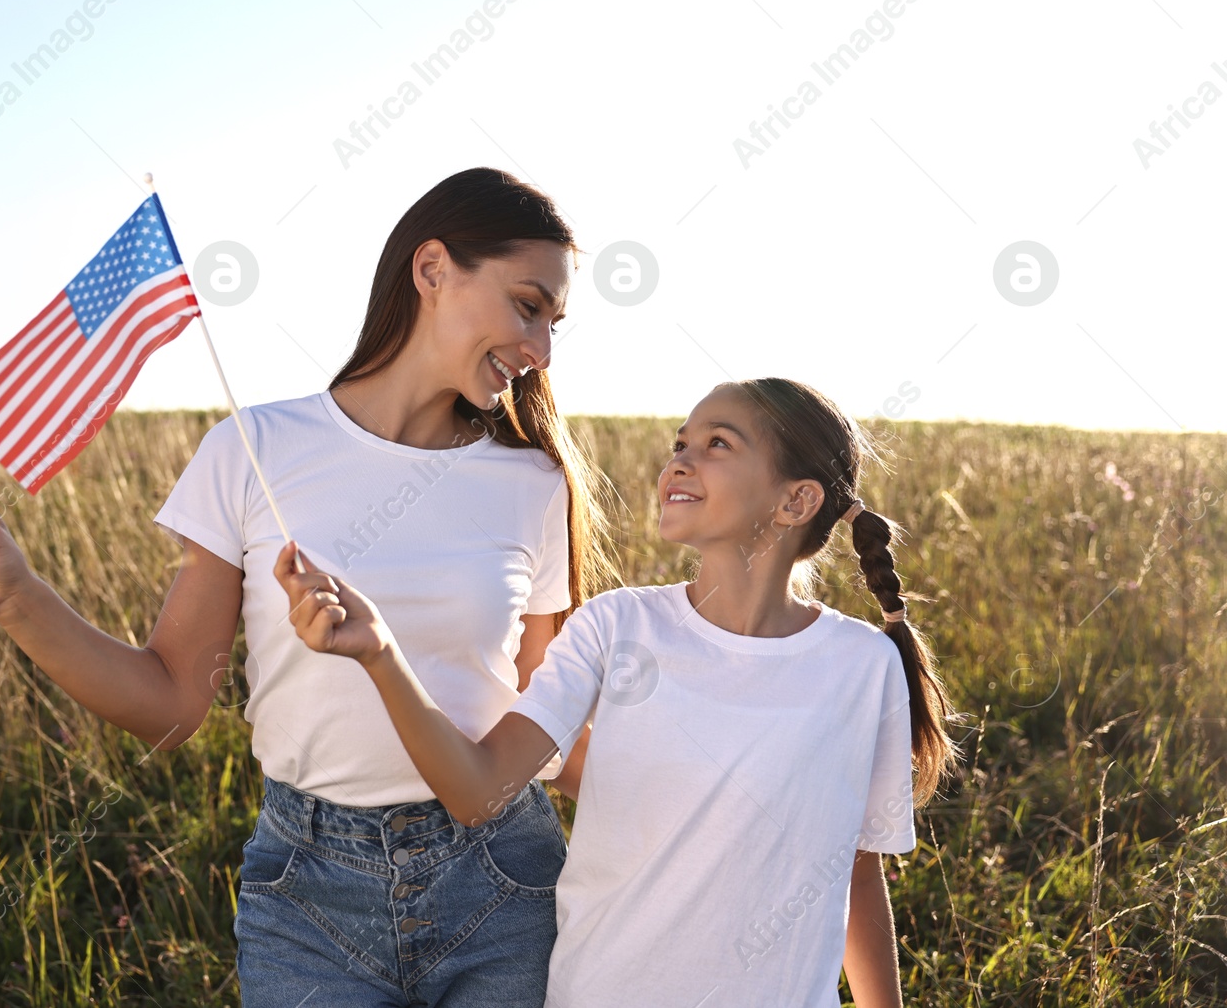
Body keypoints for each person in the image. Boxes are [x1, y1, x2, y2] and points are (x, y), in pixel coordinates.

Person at [0, 167, 619, 1007]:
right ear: (431, 270)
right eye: (528, 305)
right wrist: (14, 595)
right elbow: (171, 702)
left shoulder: (532, 481)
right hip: (310, 895)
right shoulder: (255, 449)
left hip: (502, 880)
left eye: (555, 321)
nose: (543, 347)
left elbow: (550, 730)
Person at [274, 377, 960, 1007]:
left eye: (718, 443)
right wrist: (380, 653)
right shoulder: (615, 627)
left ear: (796, 500)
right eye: (679, 443)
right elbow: (478, 790)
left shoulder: (863, 666)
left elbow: (857, 872)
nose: (679, 462)